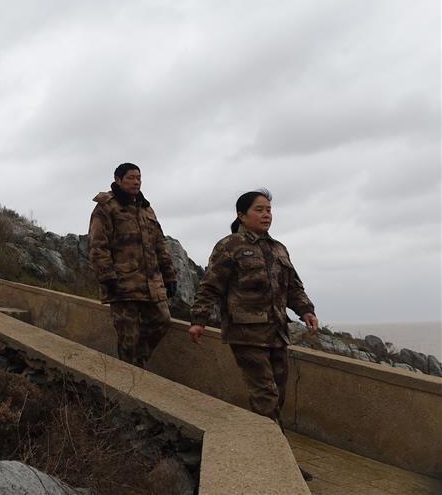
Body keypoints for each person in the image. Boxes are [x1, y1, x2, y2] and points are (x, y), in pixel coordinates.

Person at [188, 188, 318, 480]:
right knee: (266, 395)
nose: (266, 214)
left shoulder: (279, 249)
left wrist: (306, 310)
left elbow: (294, 286)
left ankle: (266, 449)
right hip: (245, 332)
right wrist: (199, 319)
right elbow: (210, 285)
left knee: (277, 396)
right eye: (259, 209)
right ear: (241, 215)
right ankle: (280, 462)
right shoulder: (229, 246)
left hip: (276, 333)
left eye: (269, 209)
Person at [88, 163, 177, 368]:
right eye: (130, 177)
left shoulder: (146, 209)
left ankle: (138, 362)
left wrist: (169, 276)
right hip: (122, 284)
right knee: (128, 338)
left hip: (151, 285)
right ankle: (129, 381)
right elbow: (97, 246)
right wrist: (107, 277)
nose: (136, 181)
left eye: (139, 177)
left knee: (163, 321)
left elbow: (160, 245)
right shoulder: (106, 207)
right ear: (118, 180)